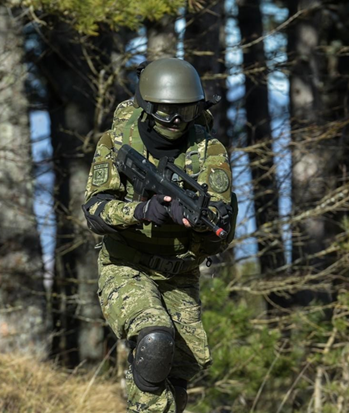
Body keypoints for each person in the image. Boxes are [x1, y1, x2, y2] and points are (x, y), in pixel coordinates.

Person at [82, 58, 236, 413]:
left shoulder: (209, 151)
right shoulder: (116, 141)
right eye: (168, 112)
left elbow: (221, 229)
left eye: (185, 110)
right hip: (126, 264)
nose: (177, 120)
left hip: (179, 274)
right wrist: (140, 211)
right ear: (148, 107)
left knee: (177, 378)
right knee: (154, 340)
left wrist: (198, 223)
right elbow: (94, 210)